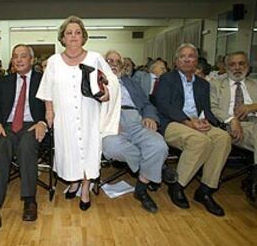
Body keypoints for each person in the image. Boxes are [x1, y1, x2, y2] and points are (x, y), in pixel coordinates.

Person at [36, 16, 120, 211]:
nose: (73, 36)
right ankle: (73, 182)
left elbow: (112, 82)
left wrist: (106, 93)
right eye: (69, 33)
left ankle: (84, 187)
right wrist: (49, 111)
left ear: (83, 37)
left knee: (88, 151)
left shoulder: (95, 58)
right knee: (69, 153)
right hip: (64, 117)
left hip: (89, 114)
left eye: (77, 32)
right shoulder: (54, 61)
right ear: (62, 38)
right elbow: (47, 89)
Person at [0, 44, 46, 237]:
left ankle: (29, 200)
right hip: (7, 126)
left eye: (23, 56)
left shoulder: (44, 80)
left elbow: (53, 106)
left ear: (32, 60)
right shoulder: (3, 82)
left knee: (27, 145)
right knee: (0, 147)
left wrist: (44, 123)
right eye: (15, 56)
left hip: (32, 125)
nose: (19, 60)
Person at [155, 43, 231, 216]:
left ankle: (205, 190)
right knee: (200, 141)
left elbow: (208, 110)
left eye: (191, 56)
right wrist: (189, 122)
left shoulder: (203, 84)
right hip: (173, 123)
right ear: (176, 61)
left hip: (198, 122)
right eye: (183, 56)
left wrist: (207, 122)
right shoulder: (167, 79)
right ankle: (177, 185)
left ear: (197, 61)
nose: (187, 59)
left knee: (223, 138)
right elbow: (164, 105)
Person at [102, 50, 170, 213]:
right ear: (103, 63)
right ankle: (156, 168)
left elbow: (147, 104)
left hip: (136, 118)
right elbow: (88, 111)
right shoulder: (95, 82)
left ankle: (141, 188)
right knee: (112, 147)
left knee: (158, 145)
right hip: (111, 121)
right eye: (109, 61)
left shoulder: (130, 82)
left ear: (122, 66)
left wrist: (149, 117)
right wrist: (107, 123)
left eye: (117, 62)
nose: (113, 64)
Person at [210, 51, 257, 207]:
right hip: (231, 126)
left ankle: (254, 180)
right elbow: (213, 108)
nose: (237, 68)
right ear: (226, 66)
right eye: (232, 64)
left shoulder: (254, 84)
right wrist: (232, 119)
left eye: (241, 63)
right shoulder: (216, 84)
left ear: (248, 66)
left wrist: (253, 106)